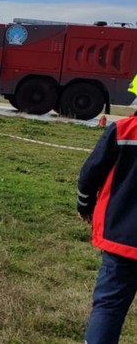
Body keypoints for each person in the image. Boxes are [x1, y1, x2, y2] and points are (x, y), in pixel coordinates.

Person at [78, 75, 137, 343]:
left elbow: (90, 173)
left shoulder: (124, 130)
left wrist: (84, 204)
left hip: (121, 238)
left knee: (108, 308)